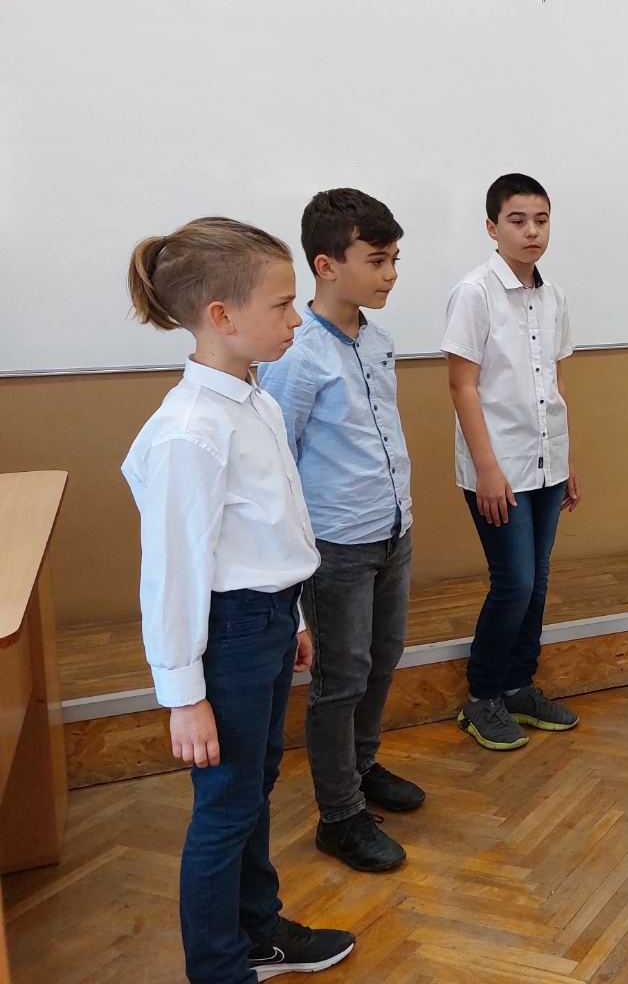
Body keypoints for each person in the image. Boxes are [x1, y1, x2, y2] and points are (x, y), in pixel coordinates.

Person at [122, 217, 355, 982]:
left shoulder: (252, 400)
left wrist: (291, 617)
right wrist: (184, 696)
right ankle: (219, 968)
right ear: (222, 316)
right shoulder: (190, 432)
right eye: (282, 305)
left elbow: (267, 529)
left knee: (254, 787)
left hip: (265, 621)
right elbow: (173, 574)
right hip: (226, 634)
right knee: (225, 808)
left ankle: (257, 930)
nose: (297, 319)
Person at [259, 189, 423, 874]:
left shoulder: (378, 342)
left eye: (394, 259)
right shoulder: (297, 356)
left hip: (391, 531)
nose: (391, 274)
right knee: (340, 678)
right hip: (336, 547)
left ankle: (361, 765)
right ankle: (339, 814)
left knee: (383, 658)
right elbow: (278, 463)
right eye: (377, 261)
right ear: (327, 266)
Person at [443, 173, 581, 750]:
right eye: (518, 221)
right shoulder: (474, 293)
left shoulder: (553, 296)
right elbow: (462, 386)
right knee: (514, 583)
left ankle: (519, 686)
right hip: (498, 468)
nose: (531, 232)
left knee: (538, 582)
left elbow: (554, 382)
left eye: (541, 220)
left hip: (547, 462)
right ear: (492, 227)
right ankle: (482, 697)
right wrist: (487, 470)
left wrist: (566, 459)